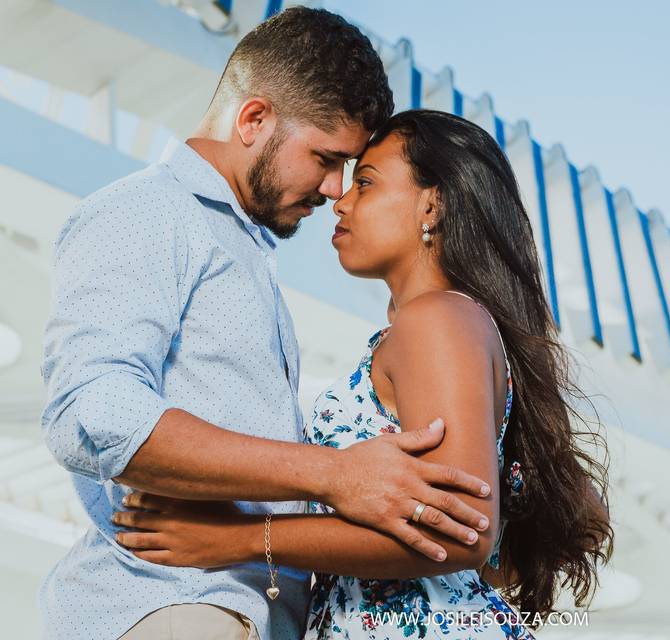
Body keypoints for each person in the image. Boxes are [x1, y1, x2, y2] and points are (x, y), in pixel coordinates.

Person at [40, 9, 492, 640]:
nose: (336, 189)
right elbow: (93, 414)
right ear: (254, 120)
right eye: (328, 159)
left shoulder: (243, 252)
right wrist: (332, 473)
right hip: (174, 607)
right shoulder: (146, 213)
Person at [113, 109, 615, 639]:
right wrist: (464, 586)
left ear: (432, 201)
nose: (341, 201)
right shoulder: (446, 326)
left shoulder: (438, 319)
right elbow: (579, 514)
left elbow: (464, 531)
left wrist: (234, 539)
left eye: (367, 184)